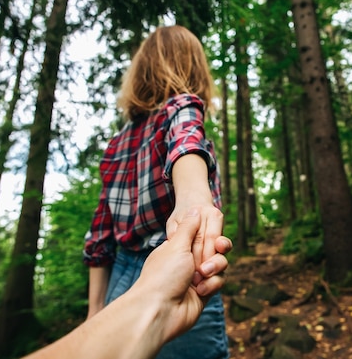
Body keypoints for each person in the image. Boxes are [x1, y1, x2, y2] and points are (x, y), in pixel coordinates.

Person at [83, 25, 229, 359]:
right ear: (192, 64)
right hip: (177, 271)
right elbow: (186, 140)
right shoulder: (182, 106)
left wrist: (95, 311)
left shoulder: (116, 143)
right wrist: (194, 201)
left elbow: (99, 235)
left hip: (119, 279)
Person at [25, 211, 232, 359]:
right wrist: (94, 312)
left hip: (183, 258)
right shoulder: (112, 154)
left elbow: (188, 149)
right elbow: (100, 230)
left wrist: (195, 210)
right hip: (123, 262)